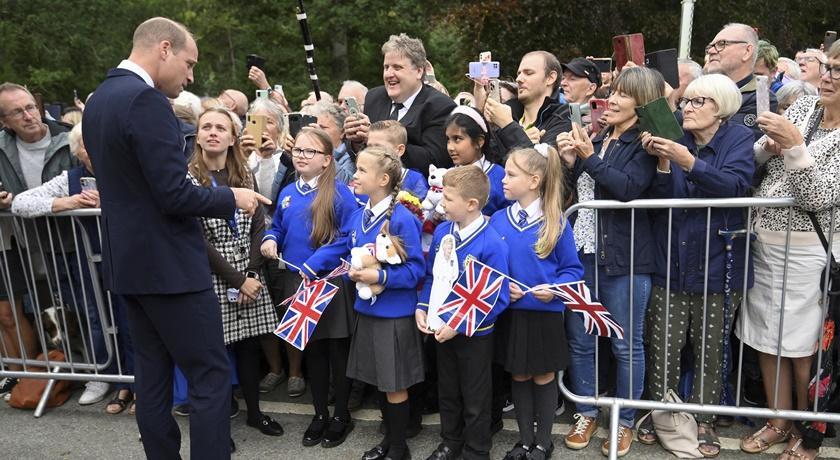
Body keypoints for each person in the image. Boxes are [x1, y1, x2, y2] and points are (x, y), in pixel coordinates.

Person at [81, 17, 269, 458]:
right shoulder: (145, 101)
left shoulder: (101, 99)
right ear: (164, 48)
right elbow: (172, 193)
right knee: (208, 377)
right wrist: (231, 196)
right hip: (170, 269)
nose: (190, 76)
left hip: (129, 266)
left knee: (153, 380)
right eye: (189, 63)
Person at [638, 74, 756, 457]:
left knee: (710, 346)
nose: (686, 108)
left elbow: (736, 187)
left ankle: (703, 418)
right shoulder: (675, 139)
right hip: (671, 259)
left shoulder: (736, 139)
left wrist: (689, 163)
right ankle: (663, 414)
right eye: (685, 101)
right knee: (665, 344)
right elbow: (661, 196)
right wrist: (660, 163)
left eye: (696, 101)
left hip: (719, 262)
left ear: (719, 107)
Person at [737, 42, 840, 460]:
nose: (830, 76)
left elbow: (819, 196)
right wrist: (770, 146)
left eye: (839, 70)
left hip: (811, 251)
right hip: (768, 242)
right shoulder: (804, 107)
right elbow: (758, 157)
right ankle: (777, 419)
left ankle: (807, 427)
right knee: (766, 335)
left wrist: (795, 147)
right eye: (830, 67)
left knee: (804, 346)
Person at [557, 66, 662, 457]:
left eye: (623, 95)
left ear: (643, 103)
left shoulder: (646, 143)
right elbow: (578, 196)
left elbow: (628, 188)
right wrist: (572, 161)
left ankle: (625, 421)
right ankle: (585, 412)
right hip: (583, 254)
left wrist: (588, 156)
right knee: (581, 339)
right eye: (612, 92)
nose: (612, 100)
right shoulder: (598, 138)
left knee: (625, 344)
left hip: (627, 258)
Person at [303, 145, 426, 460]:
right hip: (366, 312)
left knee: (395, 384)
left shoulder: (402, 218)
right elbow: (343, 244)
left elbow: (416, 270)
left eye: (360, 170)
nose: (353, 175)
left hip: (394, 315)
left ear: (383, 178)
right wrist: (313, 264)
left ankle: (398, 447)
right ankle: (389, 442)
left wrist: (381, 278)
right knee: (381, 382)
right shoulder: (360, 215)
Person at [9, 122, 135, 412]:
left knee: (132, 318)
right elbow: (21, 204)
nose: (93, 150)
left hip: (131, 259)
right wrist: (66, 202)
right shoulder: (72, 178)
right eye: (86, 145)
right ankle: (107, 378)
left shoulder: (129, 170)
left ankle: (138, 382)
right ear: (78, 152)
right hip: (89, 262)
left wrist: (110, 202)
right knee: (97, 317)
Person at [260, 127, 359, 448]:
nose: (301, 156)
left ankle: (341, 415)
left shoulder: (341, 193)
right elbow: (276, 225)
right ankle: (319, 414)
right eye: (298, 150)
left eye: (309, 152)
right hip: (296, 283)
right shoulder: (288, 191)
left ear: (327, 160)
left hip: (329, 284)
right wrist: (271, 239)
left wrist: (317, 262)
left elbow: (347, 237)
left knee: (336, 352)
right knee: (312, 351)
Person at [187, 107, 283, 437]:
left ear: (232, 138)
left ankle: (255, 414)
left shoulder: (244, 176)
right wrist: (237, 280)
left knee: (248, 348)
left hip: (249, 275)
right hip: (213, 277)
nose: (213, 132)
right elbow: (198, 242)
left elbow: (258, 226)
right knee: (215, 355)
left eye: (220, 128)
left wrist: (253, 275)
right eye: (206, 127)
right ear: (198, 136)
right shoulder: (189, 181)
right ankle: (219, 429)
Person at [489, 144, 583, 460]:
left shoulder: (555, 221)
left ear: (533, 180)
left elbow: (572, 269)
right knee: (518, 374)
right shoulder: (499, 220)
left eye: (511, 174)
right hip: (512, 312)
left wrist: (554, 288)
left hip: (544, 313)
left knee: (543, 375)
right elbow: (489, 267)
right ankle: (524, 441)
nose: (503, 179)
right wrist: (503, 287)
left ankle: (543, 441)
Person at [416, 166, 510, 460]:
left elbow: (497, 296)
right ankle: (451, 441)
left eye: (448, 198)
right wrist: (423, 306)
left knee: (475, 395)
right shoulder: (444, 230)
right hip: (441, 327)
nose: (441, 204)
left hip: (474, 334)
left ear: (471, 204)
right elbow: (433, 276)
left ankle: (477, 449)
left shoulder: (491, 243)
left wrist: (458, 324)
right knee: (448, 390)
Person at [0, 81, 77, 396]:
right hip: (25, 242)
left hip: (72, 240)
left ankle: (93, 372)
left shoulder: (68, 137)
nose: (29, 115)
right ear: (5, 121)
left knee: (84, 308)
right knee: (43, 309)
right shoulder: (2, 147)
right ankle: (40, 376)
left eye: (31, 106)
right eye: (17, 112)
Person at [239, 97, 297, 395]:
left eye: (269, 122)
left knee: (288, 304)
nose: (262, 129)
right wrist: (246, 156)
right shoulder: (241, 158)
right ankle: (275, 368)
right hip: (251, 242)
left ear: (280, 126)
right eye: (255, 121)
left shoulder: (288, 158)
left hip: (284, 242)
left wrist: (275, 157)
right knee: (263, 309)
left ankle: (296, 372)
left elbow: (279, 199)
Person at [344, 33, 457, 175]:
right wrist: (357, 140)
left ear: (419, 71)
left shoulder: (440, 106)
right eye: (386, 67)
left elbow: (435, 160)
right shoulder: (374, 97)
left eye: (397, 68)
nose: (389, 74)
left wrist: (378, 140)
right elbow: (359, 151)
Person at [483, 51, 571, 150]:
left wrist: (507, 125)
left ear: (550, 78)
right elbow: (489, 160)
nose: (518, 79)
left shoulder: (564, 116)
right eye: (519, 73)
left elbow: (543, 164)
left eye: (528, 73)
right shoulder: (506, 111)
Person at [705, 23, 778, 140]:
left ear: (747, 51)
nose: (711, 51)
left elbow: (734, 143)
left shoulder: (761, 98)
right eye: (710, 46)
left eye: (721, 44)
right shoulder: (701, 90)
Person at [445, 106, 509, 216]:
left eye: (457, 139)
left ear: (479, 141)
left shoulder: (499, 176)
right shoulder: (446, 175)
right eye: (448, 140)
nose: (450, 147)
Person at [367, 120, 428, 199]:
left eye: (378, 147)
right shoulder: (363, 176)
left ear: (399, 150)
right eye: (369, 146)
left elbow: (421, 209)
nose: (371, 152)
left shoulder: (415, 180)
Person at [302, 100, 356, 184]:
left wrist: (323, 147)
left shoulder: (351, 155)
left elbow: (347, 184)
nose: (317, 132)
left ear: (342, 132)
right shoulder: (309, 152)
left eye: (323, 128)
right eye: (315, 127)